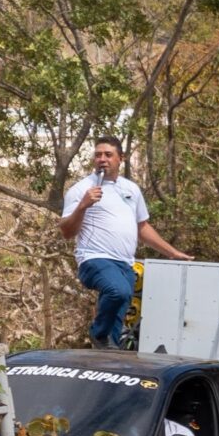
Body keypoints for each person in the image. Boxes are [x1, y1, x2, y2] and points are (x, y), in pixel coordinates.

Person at [60, 135, 190, 347]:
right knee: (118, 291)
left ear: (122, 158)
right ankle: (97, 333)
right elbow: (66, 231)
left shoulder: (131, 189)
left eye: (108, 155)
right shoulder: (80, 190)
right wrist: (83, 205)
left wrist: (172, 253)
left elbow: (143, 227)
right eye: (98, 155)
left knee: (120, 311)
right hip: (94, 259)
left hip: (125, 263)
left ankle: (108, 353)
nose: (102, 159)